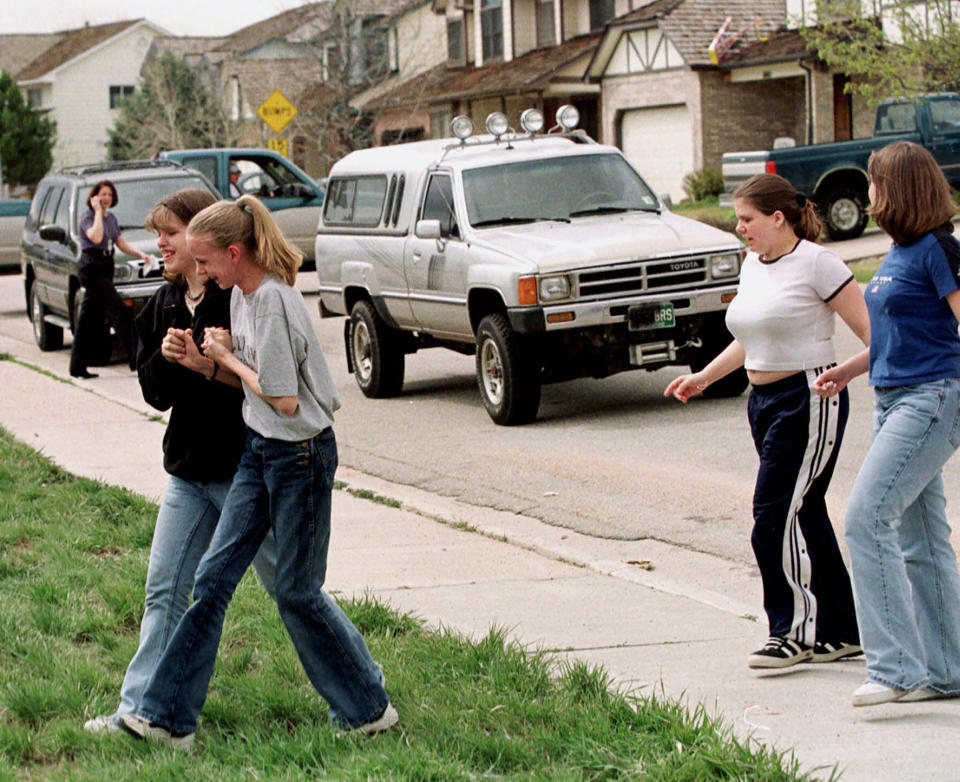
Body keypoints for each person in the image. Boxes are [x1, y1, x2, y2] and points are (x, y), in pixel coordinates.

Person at [120, 195, 396, 749]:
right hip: (257, 452)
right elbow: (253, 389)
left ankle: (368, 707)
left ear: (233, 252)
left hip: (298, 457)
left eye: (205, 262)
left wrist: (221, 358)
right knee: (209, 583)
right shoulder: (241, 297)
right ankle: (166, 720)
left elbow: (286, 402)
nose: (200, 273)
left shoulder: (270, 300)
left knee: (296, 592)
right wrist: (206, 362)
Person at [82, 188, 278, 734]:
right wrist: (171, 361)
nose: (159, 243)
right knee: (165, 591)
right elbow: (155, 395)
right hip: (189, 474)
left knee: (293, 590)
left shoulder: (238, 298)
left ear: (203, 236)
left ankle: (363, 693)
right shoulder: (163, 304)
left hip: (246, 472)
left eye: (169, 232)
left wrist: (206, 363)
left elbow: (263, 391)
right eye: (159, 233)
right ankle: (138, 713)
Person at [664, 173, 869, 669]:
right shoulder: (754, 264)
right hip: (763, 401)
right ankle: (842, 630)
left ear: (779, 218)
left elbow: (875, 335)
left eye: (747, 219)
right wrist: (704, 378)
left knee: (771, 517)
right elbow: (749, 338)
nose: (739, 228)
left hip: (808, 397)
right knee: (805, 511)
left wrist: (842, 373)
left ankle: (793, 633)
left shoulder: (818, 263)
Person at [814, 141, 960, 707]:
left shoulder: (938, 249)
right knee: (921, 538)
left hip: (932, 399)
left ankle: (894, 669)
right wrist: (849, 369)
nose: (868, 191)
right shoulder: (898, 252)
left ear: (896, 187)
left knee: (866, 518)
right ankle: (946, 670)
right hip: (893, 397)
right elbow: (898, 336)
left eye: (873, 182)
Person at [69, 180, 153, 379]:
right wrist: (97, 211)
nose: (106, 198)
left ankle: (77, 367)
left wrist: (142, 255)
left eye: (109, 194)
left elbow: (120, 243)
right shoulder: (88, 216)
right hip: (91, 268)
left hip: (106, 266)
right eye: (102, 194)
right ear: (94, 196)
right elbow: (96, 238)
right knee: (121, 311)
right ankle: (136, 361)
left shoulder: (112, 218)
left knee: (87, 320)